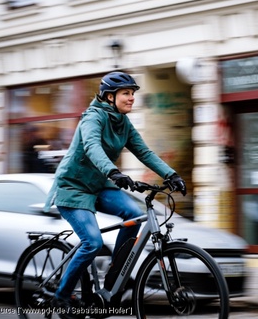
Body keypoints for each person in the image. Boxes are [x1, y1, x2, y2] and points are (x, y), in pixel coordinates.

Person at [43, 71, 186, 318]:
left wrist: (171, 174)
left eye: (133, 93)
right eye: (126, 93)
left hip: (99, 186)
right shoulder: (92, 118)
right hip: (74, 188)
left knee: (132, 213)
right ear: (109, 96)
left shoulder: (123, 122)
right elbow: (92, 147)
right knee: (92, 243)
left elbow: (144, 152)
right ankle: (61, 297)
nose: (132, 98)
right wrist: (114, 171)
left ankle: (114, 276)